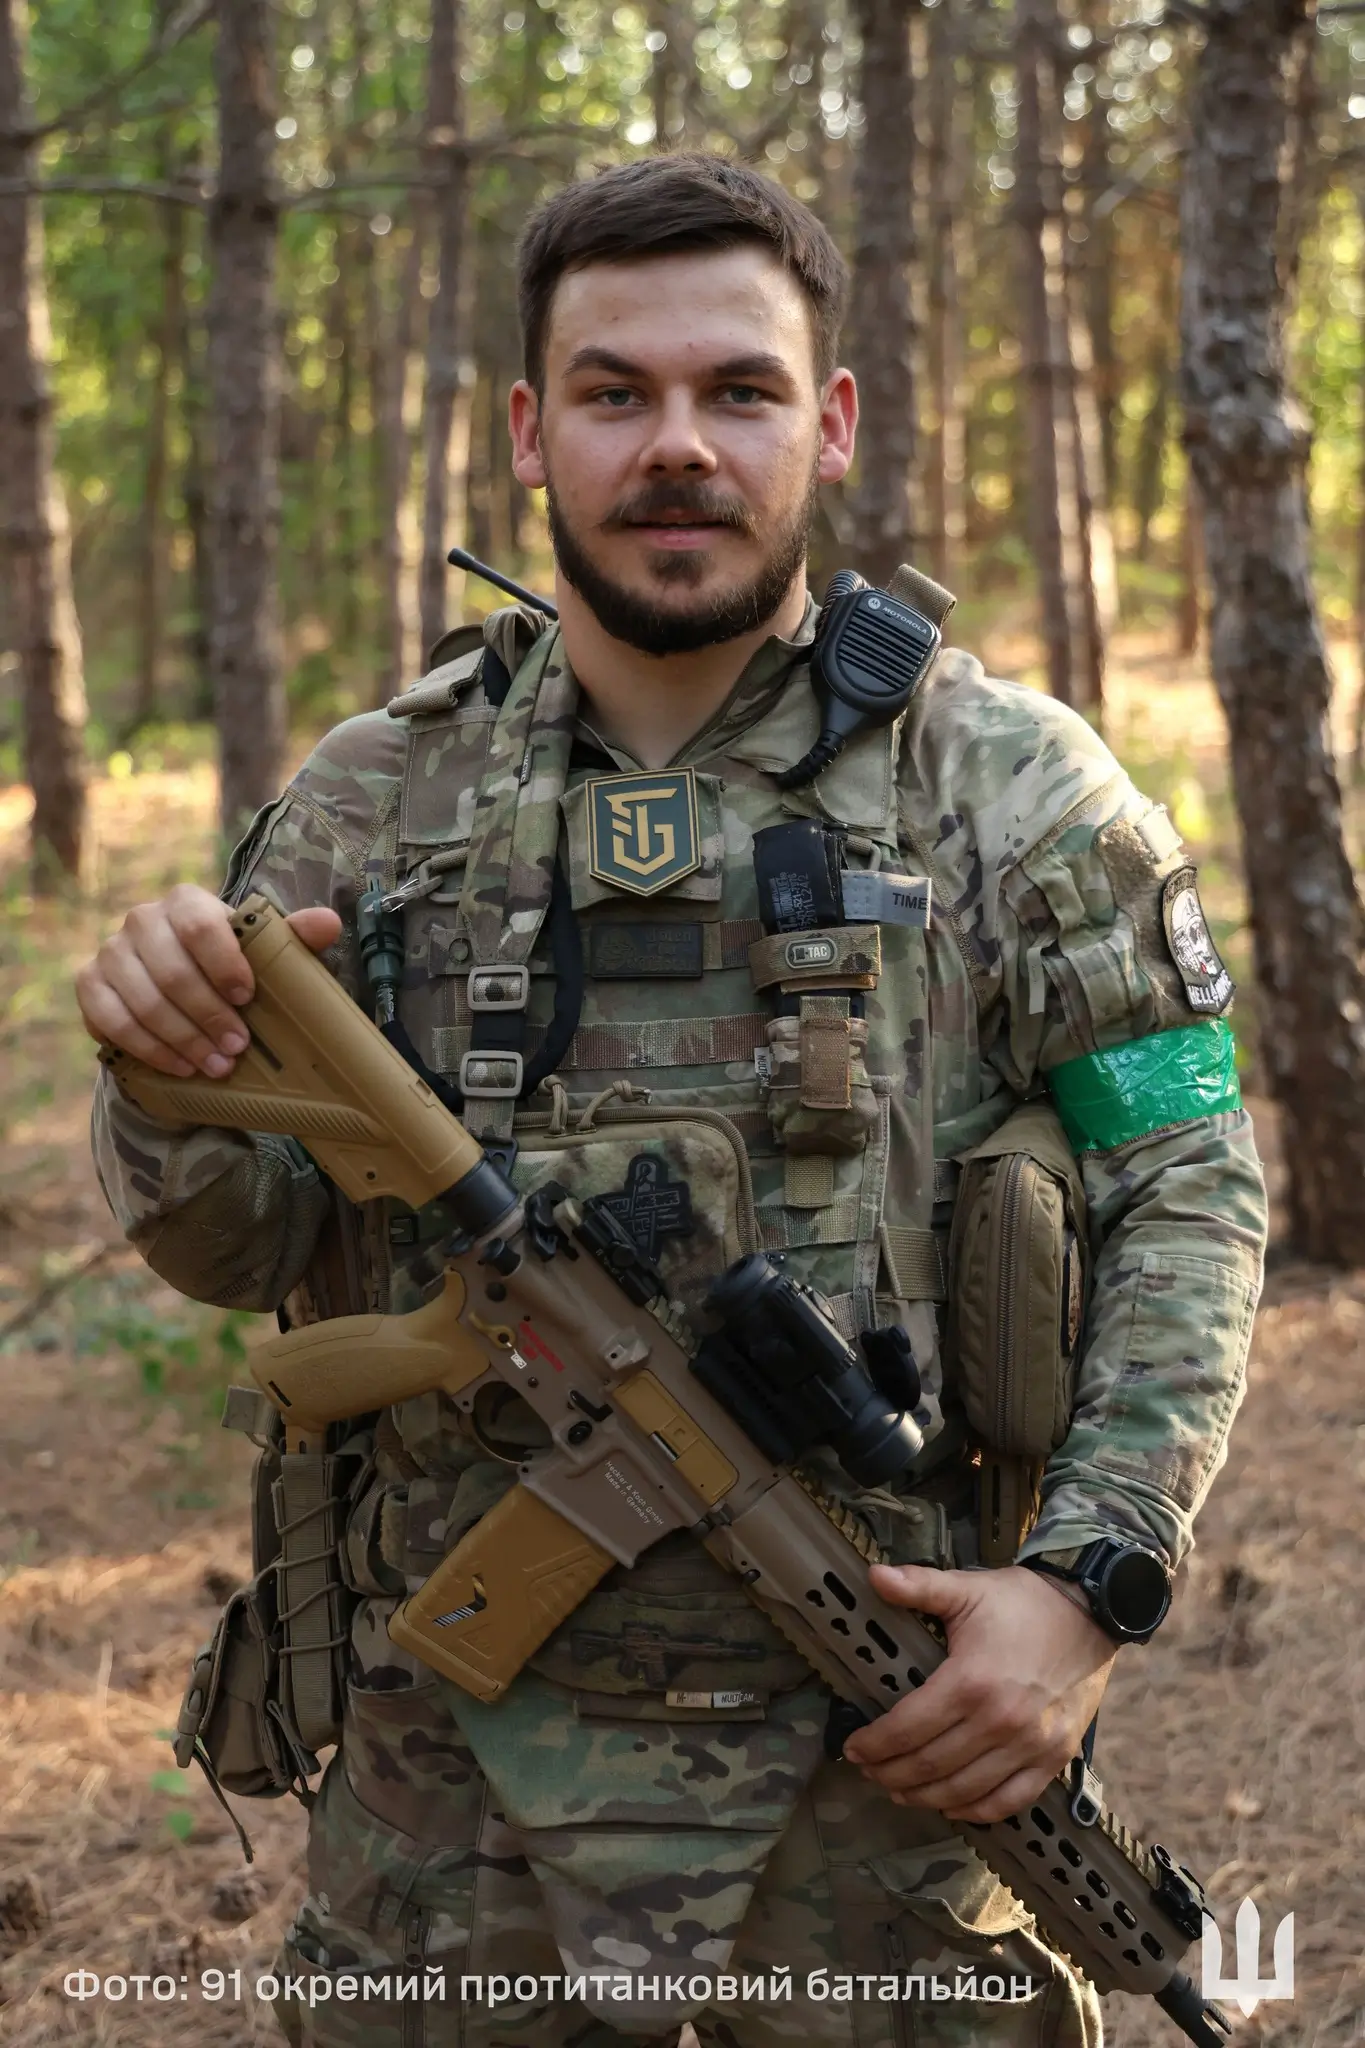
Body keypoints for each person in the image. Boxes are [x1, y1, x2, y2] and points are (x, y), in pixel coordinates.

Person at [78, 154, 1267, 2048]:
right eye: (617, 393)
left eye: (741, 390)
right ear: (530, 433)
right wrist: (166, 1079)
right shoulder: (372, 805)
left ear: (833, 422)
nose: (680, 446)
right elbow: (238, 1248)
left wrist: (1089, 1582)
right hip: (447, 1789)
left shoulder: (1014, 792)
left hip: (889, 1758)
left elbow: (1186, 1180)